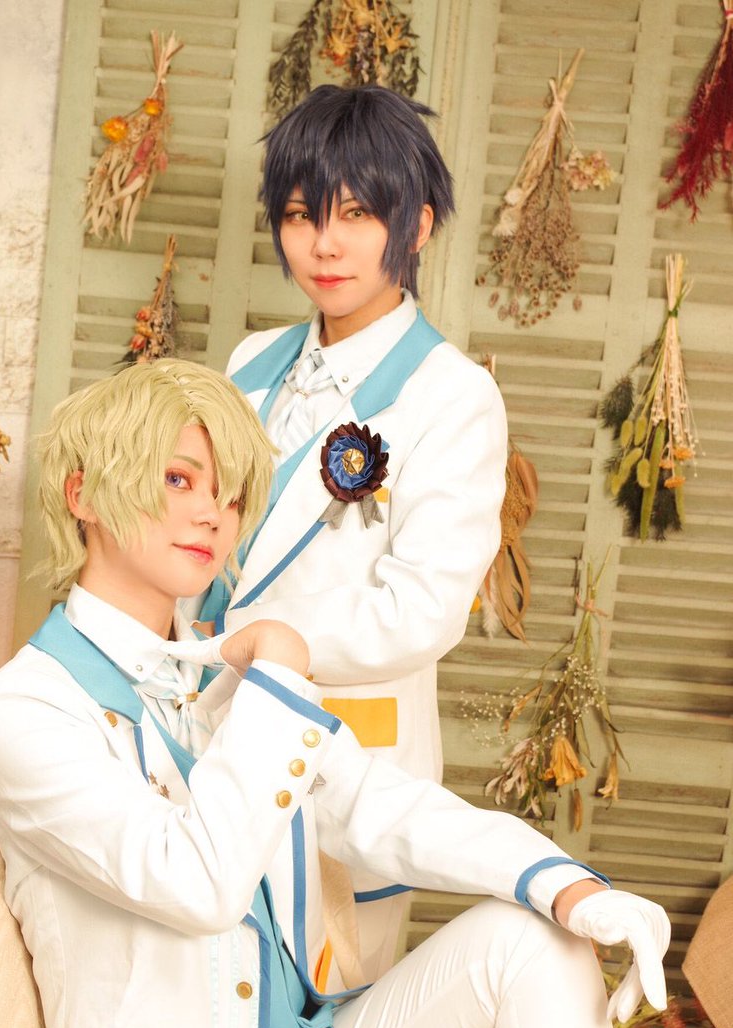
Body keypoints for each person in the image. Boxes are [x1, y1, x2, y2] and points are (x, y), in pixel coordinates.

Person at [0, 359, 671, 1028]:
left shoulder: (215, 677)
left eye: (228, 495)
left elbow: (375, 806)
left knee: (534, 937)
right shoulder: (28, 709)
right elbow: (193, 883)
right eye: (178, 479)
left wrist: (570, 888)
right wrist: (277, 669)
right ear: (82, 494)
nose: (210, 514)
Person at [192, 85, 508, 979]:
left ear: (417, 225)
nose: (324, 245)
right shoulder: (251, 362)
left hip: (343, 763)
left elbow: (422, 610)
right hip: (209, 749)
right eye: (301, 215)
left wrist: (263, 642)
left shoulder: (452, 395)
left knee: (320, 1020)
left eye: (357, 214)